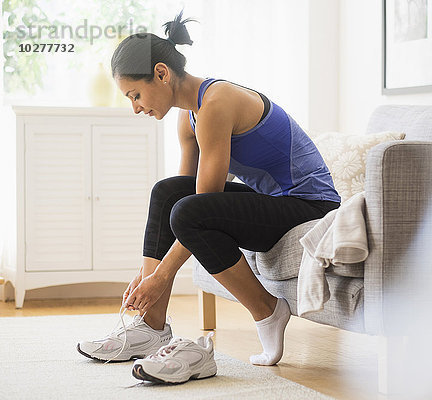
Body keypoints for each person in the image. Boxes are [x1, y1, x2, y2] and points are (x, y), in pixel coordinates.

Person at [76, 11, 340, 382]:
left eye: (135, 94)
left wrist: (159, 277)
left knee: (190, 211)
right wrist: (145, 276)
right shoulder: (189, 117)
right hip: (275, 202)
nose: (135, 107)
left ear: (162, 74)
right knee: (167, 192)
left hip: (311, 205)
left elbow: (200, 207)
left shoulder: (217, 102)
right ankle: (151, 327)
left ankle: (268, 310)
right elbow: (179, 200)